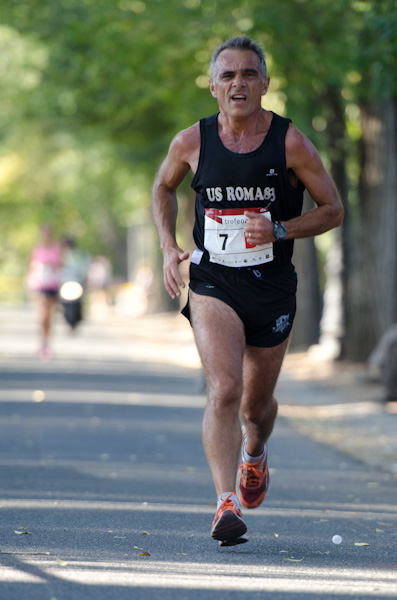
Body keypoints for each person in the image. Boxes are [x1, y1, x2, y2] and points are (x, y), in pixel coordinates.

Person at [152, 36, 344, 544]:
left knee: (255, 407)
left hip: (272, 285)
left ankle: (254, 453)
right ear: (214, 86)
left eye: (248, 75)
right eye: (228, 75)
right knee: (225, 389)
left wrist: (280, 229)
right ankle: (224, 505)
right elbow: (162, 187)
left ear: (264, 83)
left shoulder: (290, 142)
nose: (238, 84)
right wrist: (169, 248)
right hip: (214, 278)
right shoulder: (191, 142)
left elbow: (333, 210)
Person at [27, 224, 63, 360]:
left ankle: (47, 343)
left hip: (53, 285)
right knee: (43, 315)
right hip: (40, 286)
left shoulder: (56, 249)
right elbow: (31, 267)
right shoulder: (36, 249)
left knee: (50, 316)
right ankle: (43, 343)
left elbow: (62, 264)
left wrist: (52, 264)